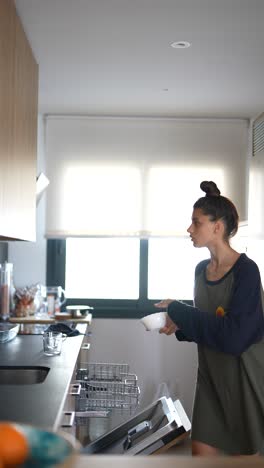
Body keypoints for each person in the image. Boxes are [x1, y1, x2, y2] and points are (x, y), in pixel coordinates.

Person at [155, 180, 264, 457]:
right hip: (211, 380)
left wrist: (178, 311)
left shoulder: (247, 272)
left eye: (196, 222)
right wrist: (180, 327)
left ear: (218, 226)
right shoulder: (200, 270)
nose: (189, 229)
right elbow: (207, 324)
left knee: (245, 460)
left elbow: (235, 338)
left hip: (243, 380)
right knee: (200, 457)